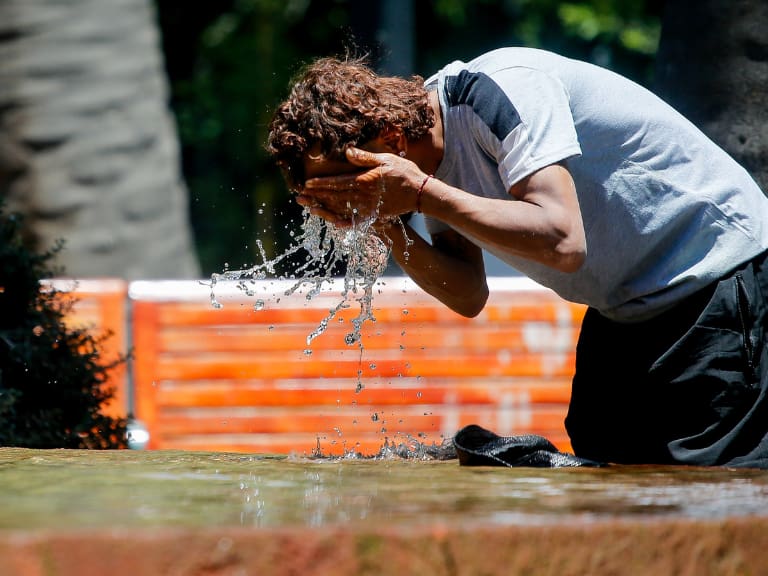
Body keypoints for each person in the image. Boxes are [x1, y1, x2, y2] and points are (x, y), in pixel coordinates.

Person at [266, 47, 768, 468]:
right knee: (606, 466)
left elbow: (563, 240)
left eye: (351, 185)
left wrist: (420, 194)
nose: (351, 199)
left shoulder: (498, 92)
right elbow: (467, 293)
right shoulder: (429, 162)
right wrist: (383, 222)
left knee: (709, 483)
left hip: (718, 277)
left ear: (391, 142)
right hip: (629, 307)